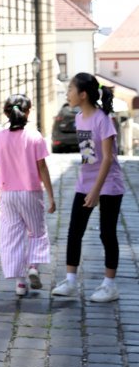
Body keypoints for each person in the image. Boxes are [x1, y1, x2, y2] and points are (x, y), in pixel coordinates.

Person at [52, 73, 125, 303]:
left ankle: (109, 285)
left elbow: (107, 160)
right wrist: (87, 185)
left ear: (83, 94)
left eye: (70, 89)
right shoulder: (80, 117)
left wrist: (96, 191)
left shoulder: (103, 120)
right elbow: (88, 156)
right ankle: (71, 281)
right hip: (86, 183)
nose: (67, 94)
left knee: (107, 233)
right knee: (74, 231)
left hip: (109, 184)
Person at [0, 93, 56, 296]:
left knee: (13, 236)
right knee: (36, 231)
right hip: (31, 192)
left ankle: (19, 283)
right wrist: (51, 196)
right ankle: (33, 267)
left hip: (7, 193)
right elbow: (42, 168)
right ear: (27, 112)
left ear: (6, 112)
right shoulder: (35, 136)